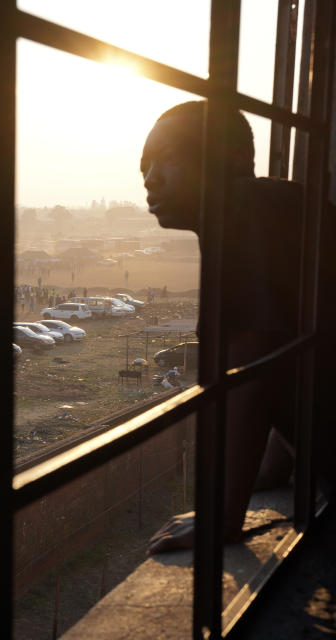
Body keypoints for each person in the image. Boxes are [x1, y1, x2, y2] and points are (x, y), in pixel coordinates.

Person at [140, 100, 303, 554]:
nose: (152, 178)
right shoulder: (275, 206)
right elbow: (291, 359)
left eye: (168, 158)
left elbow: (251, 377)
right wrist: (276, 465)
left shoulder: (246, 209)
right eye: (144, 168)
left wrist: (221, 516)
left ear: (233, 157)